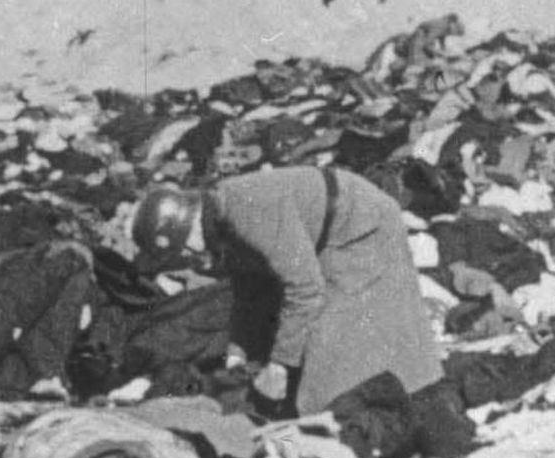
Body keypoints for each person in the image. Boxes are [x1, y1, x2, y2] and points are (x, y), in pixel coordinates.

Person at [129, 165, 445, 419]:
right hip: (327, 237)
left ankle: (408, 406)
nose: (187, 263)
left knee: (325, 379)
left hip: (360, 229)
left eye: (181, 256)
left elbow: (305, 290)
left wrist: (279, 366)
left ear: (186, 236)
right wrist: (238, 352)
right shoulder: (221, 219)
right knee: (307, 355)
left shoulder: (245, 213)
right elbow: (249, 291)